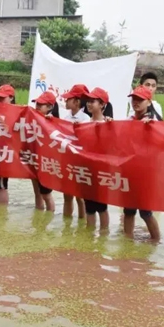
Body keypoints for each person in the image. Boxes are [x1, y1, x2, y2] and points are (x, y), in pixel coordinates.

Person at [123, 85, 161, 241]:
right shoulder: (129, 120)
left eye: (140, 100)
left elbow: (163, 143)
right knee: (128, 209)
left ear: (149, 102)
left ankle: (156, 240)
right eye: (134, 99)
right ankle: (127, 241)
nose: (135, 102)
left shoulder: (153, 121)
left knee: (145, 212)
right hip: (130, 170)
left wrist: (151, 129)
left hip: (147, 173)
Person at [84, 87, 112, 231]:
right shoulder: (83, 123)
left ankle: (103, 235)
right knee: (88, 206)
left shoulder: (109, 125)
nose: (89, 104)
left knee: (101, 206)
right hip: (86, 171)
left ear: (102, 104)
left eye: (93, 101)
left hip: (101, 171)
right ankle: (89, 236)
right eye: (88, 101)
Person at [60, 84, 89, 220]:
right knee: (67, 195)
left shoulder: (85, 119)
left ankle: (82, 222)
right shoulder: (66, 118)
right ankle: (66, 223)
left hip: (79, 161)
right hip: (68, 160)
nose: (65, 101)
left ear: (77, 102)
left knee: (80, 197)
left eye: (68, 99)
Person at [31, 90, 59, 212]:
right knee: (37, 192)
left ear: (49, 107)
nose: (37, 107)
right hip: (34, 158)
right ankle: (38, 216)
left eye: (40, 105)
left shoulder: (54, 122)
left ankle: (49, 218)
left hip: (46, 162)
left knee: (46, 195)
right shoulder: (33, 118)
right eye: (36, 104)